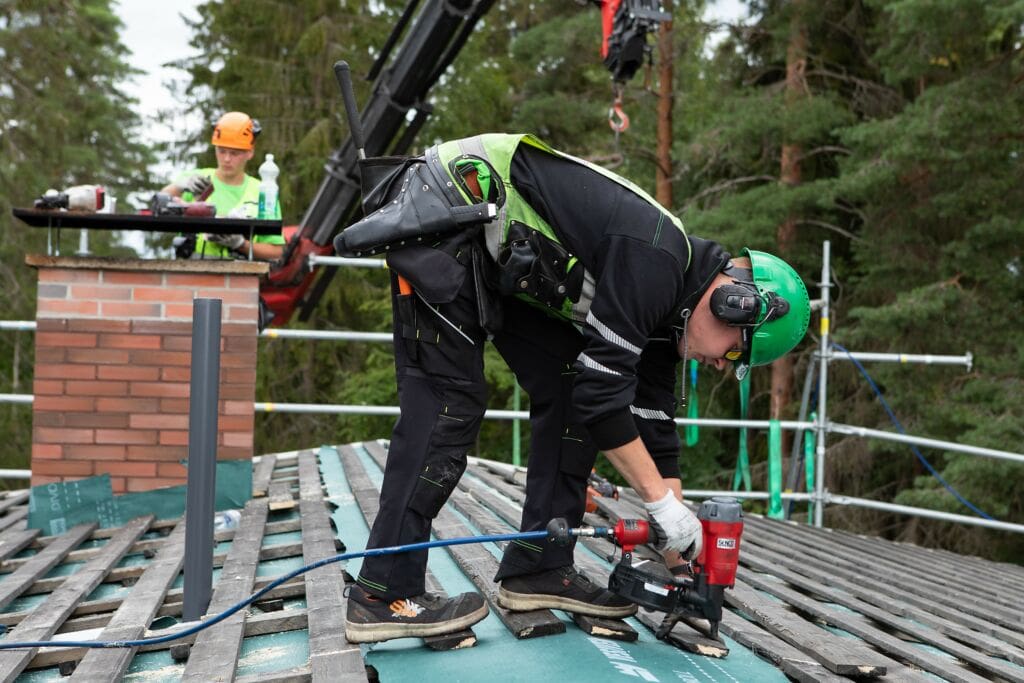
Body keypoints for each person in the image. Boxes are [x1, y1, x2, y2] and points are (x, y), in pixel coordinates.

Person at [335, 133, 811, 643]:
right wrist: (662, 507)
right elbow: (603, 395)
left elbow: (654, 430)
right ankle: (382, 593)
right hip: (450, 210)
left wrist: (684, 563)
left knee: (568, 384)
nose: (721, 363)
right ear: (735, 303)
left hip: (491, 247)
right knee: (450, 401)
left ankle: (539, 564)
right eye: (736, 351)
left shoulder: (667, 312)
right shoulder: (657, 260)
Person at [161, 111, 285, 260]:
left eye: (234, 153)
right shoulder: (196, 179)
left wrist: (240, 244)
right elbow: (159, 204)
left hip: (239, 278)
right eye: (222, 151)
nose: (226, 159)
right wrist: (180, 186)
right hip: (191, 273)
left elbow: (276, 252)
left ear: (250, 153)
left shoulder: (263, 192)